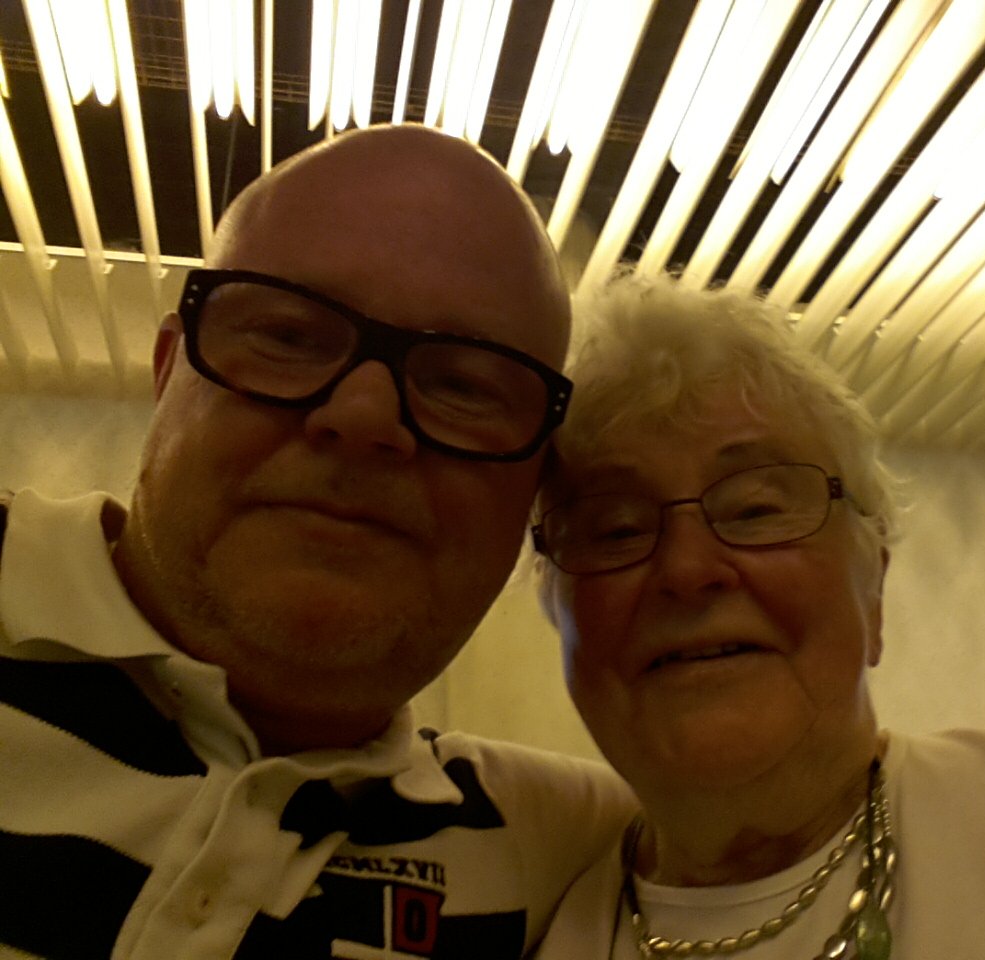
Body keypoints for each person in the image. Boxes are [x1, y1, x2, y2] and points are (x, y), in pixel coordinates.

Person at [0, 125, 634, 960]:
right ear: (167, 369)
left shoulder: (573, 851)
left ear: (535, 490)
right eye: (288, 336)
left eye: (464, 385)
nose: (364, 416)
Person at [529, 271, 985, 959]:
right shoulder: (524, 927)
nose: (688, 570)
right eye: (615, 529)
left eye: (755, 509)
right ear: (560, 615)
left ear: (873, 589)